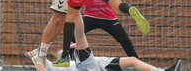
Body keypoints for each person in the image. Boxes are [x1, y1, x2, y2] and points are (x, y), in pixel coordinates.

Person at [27, 13, 181, 71]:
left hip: (95, 64)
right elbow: (46, 62)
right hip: (87, 67)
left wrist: (36, 55)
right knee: (80, 34)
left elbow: (51, 57)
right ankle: (75, 10)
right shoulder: (52, 68)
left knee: (133, 61)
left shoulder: (53, 64)